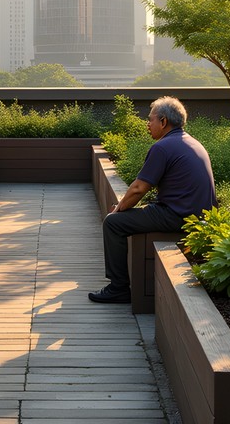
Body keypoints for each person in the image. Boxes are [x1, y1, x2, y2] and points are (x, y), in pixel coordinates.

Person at [89, 96, 216, 304]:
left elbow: (139, 188)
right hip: (198, 215)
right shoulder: (191, 142)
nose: (147, 124)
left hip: (178, 216)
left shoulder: (162, 147)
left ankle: (118, 288)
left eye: (151, 120)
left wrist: (118, 210)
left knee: (113, 223)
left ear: (164, 121)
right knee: (129, 214)